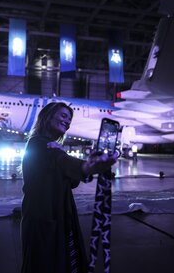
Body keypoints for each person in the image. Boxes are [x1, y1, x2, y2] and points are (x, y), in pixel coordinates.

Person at [20, 102, 118, 273]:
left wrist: (76, 163)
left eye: (69, 119)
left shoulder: (54, 147)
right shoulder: (38, 144)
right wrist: (89, 166)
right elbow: (61, 161)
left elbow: (71, 179)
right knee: (44, 264)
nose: (67, 121)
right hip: (42, 216)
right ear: (48, 116)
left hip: (60, 215)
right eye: (63, 116)